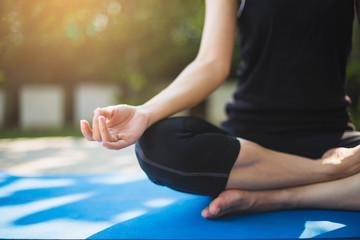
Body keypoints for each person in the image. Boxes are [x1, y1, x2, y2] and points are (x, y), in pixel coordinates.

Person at [80, 0, 360, 219]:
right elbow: (211, 64)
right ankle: (326, 175)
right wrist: (145, 112)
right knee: (156, 145)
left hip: (331, 139)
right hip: (250, 145)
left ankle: (271, 198)